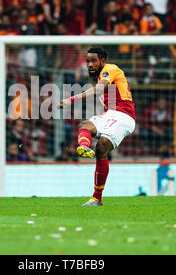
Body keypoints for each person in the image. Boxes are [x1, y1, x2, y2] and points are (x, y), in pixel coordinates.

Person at [58, 46, 136, 206]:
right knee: (85, 125)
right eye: (87, 61)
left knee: (102, 146)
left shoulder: (110, 69)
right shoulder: (101, 75)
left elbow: (99, 88)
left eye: (93, 61)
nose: (90, 64)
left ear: (103, 60)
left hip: (124, 116)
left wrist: (70, 100)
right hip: (111, 114)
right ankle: (84, 147)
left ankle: (97, 197)